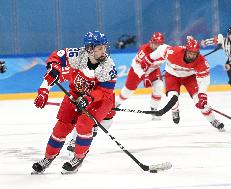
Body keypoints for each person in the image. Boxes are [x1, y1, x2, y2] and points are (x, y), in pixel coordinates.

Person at [32, 31, 117, 174]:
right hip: (76, 93)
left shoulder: (108, 66)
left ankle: (78, 158)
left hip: (100, 100)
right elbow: (56, 56)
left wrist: (88, 98)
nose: (104, 51)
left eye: (104, 47)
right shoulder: (78, 55)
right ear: (89, 49)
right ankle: (48, 158)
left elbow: (104, 92)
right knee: (61, 127)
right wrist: (52, 72)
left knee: (84, 123)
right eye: (99, 48)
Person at [140, 37, 224, 131]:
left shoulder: (202, 62)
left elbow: (204, 80)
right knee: (173, 99)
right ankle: (175, 110)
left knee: (200, 101)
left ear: (198, 53)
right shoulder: (174, 52)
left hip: (190, 78)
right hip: (172, 76)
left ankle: (213, 120)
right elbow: (161, 49)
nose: (192, 56)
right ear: (185, 50)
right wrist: (148, 59)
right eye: (190, 53)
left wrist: (202, 95)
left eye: (194, 53)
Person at [115, 32, 165, 120]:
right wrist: (144, 76)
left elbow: (173, 58)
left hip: (153, 70)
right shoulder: (144, 50)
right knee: (127, 92)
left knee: (159, 86)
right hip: (137, 71)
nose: (155, 46)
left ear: (161, 44)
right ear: (150, 41)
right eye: (154, 43)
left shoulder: (165, 50)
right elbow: (136, 65)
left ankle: (154, 110)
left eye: (158, 44)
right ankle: (115, 104)